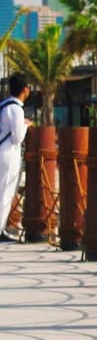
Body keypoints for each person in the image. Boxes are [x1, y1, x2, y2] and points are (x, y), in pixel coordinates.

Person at [0, 75, 29, 242]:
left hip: (2, 150)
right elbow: (17, 137)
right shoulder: (16, 109)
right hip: (7, 153)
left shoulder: (4, 104)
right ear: (25, 89)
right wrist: (26, 124)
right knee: (5, 191)